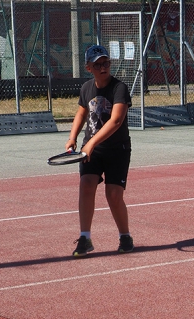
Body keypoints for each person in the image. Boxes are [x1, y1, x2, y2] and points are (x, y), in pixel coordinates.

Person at [66, 44, 134, 256]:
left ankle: (125, 236)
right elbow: (81, 114)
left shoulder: (119, 88)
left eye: (106, 63)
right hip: (92, 151)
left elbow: (116, 121)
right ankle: (85, 238)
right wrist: (72, 138)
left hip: (117, 150)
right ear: (89, 68)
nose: (103, 67)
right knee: (86, 186)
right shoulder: (86, 88)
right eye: (98, 65)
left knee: (113, 195)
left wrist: (91, 143)